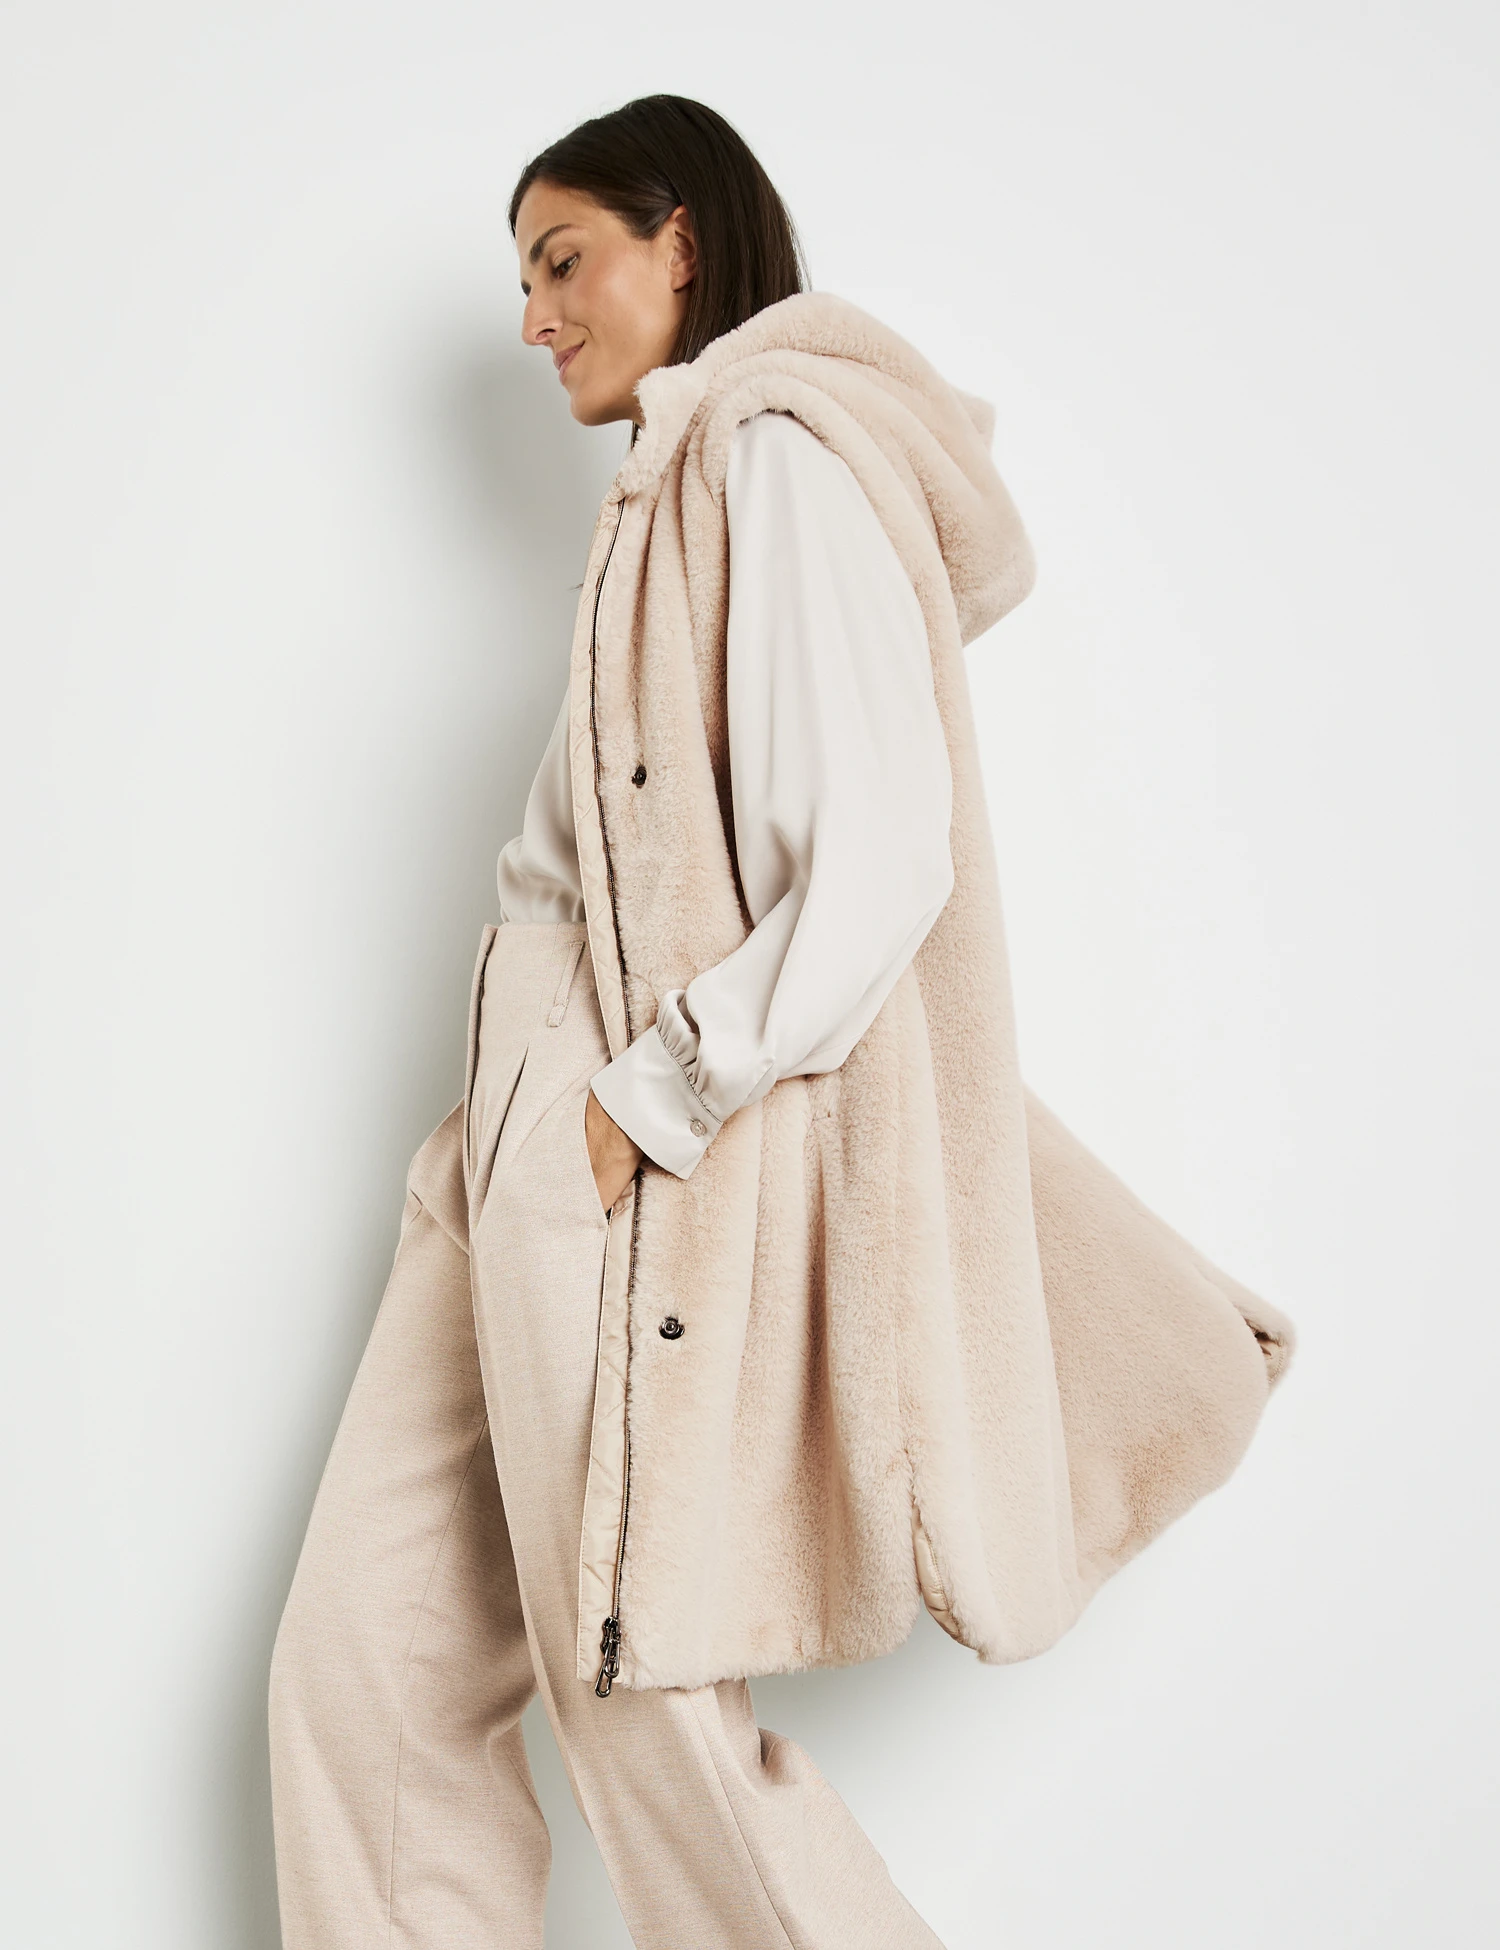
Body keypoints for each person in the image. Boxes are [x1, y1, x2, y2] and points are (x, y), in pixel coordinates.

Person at [268, 93, 1292, 1950]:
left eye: (563, 260)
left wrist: (636, 1102)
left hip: (610, 1110)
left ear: (683, 240)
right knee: (366, 1662)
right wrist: (530, 1118)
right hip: (510, 1110)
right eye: (520, 280)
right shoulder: (682, 479)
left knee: (639, 1685)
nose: (534, 318)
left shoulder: (775, 453)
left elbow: (881, 859)